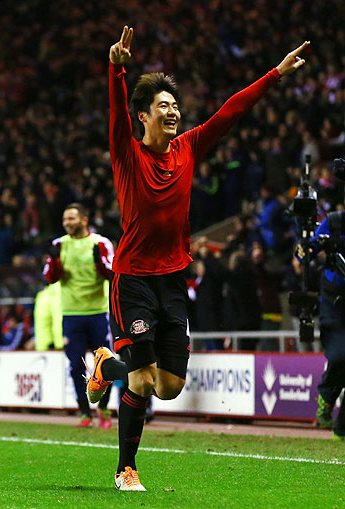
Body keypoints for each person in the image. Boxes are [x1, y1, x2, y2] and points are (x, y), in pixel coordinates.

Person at [84, 26, 310, 490]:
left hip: (173, 278)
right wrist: (116, 69)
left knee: (168, 387)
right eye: (162, 106)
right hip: (133, 278)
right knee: (143, 382)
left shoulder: (187, 148)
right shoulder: (127, 155)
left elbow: (230, 112)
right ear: (143, 117)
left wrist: (275, 75)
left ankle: (105, 365)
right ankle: (126, 469)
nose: (173, 111)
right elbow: (114, 114)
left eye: (174, 105)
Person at [43, 202, 115, 428]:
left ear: (84, 220)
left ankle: (103, 409)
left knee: (104, 365)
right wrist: (54, 260)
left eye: (72, 218)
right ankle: (85, 412)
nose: (67, 223)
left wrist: (98, 262)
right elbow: (50, 278)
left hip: (97, 313)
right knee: (75, 364)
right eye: (65, 219)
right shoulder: (58, 245)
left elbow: (112, 274)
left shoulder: (100, 243)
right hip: (72, 314)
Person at [297, 183, 345, 439]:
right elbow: (309, 247)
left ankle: (342, 426)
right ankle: (326, 396)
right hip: (334, 304)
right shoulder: (334, 222)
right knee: (339, 356)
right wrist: (304, 249)